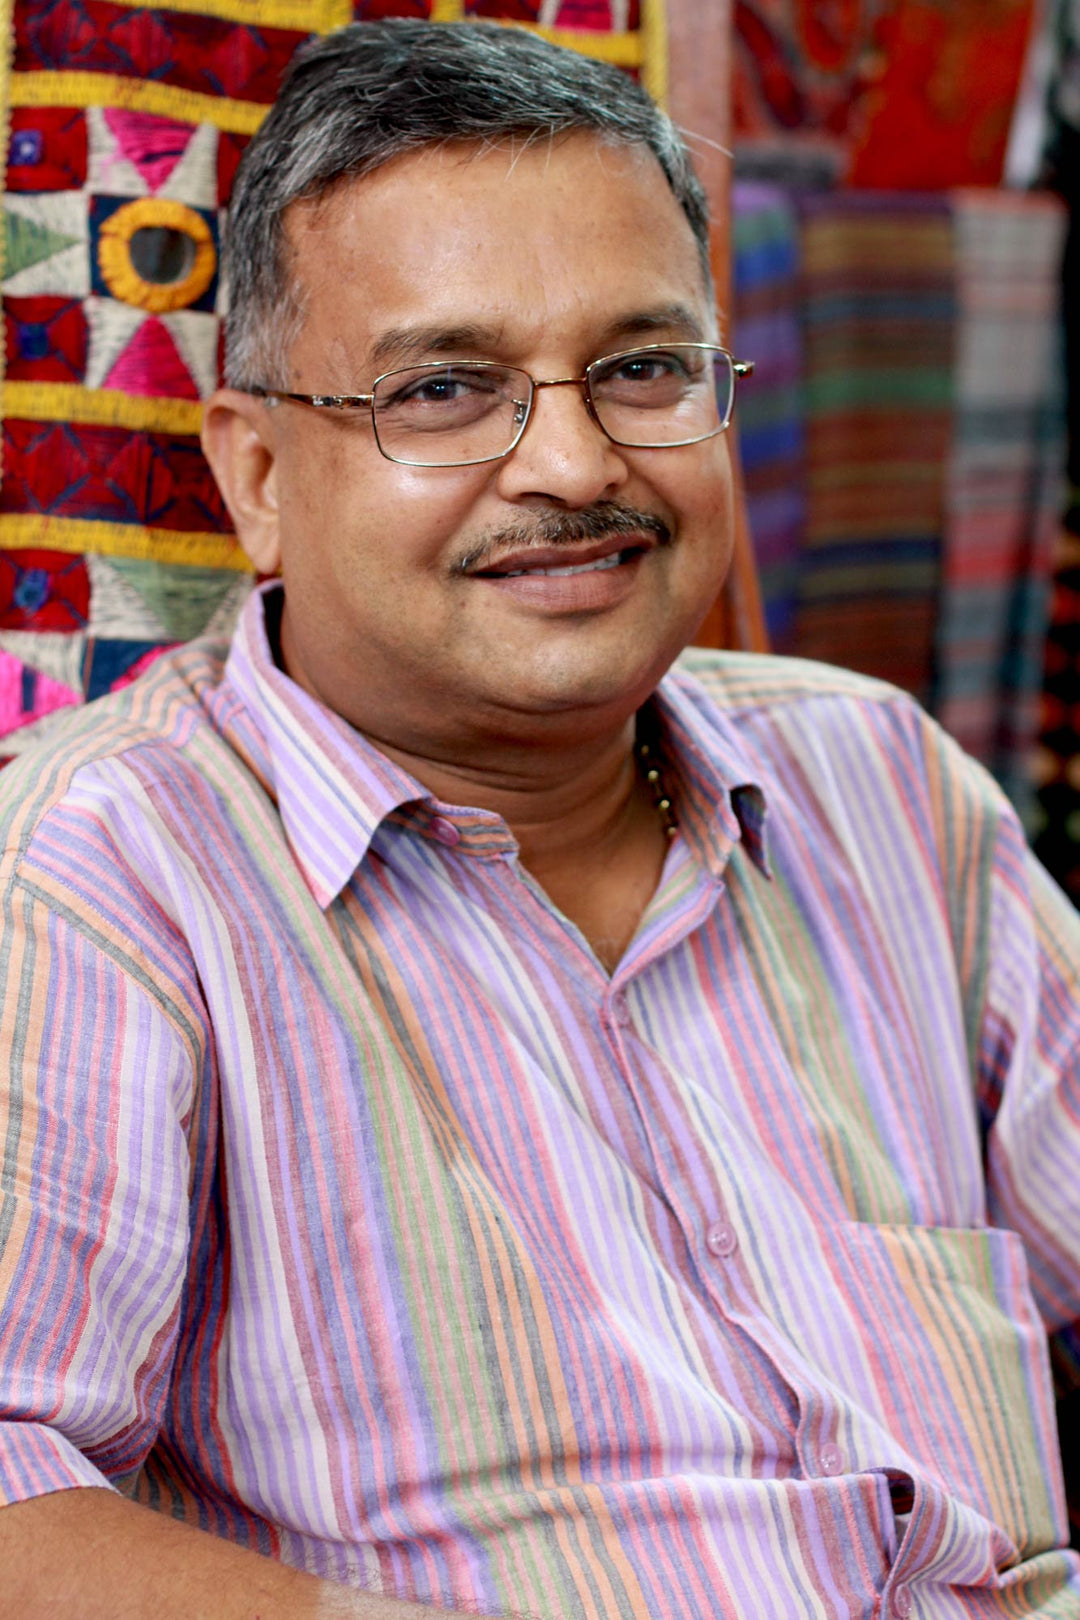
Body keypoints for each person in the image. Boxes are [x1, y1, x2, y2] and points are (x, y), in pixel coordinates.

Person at [0, 18, 1077, 1619]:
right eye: (445, 389)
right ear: (259, 477)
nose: (573, 461)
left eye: (643, 368)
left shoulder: (884, 786)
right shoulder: (98, 873)